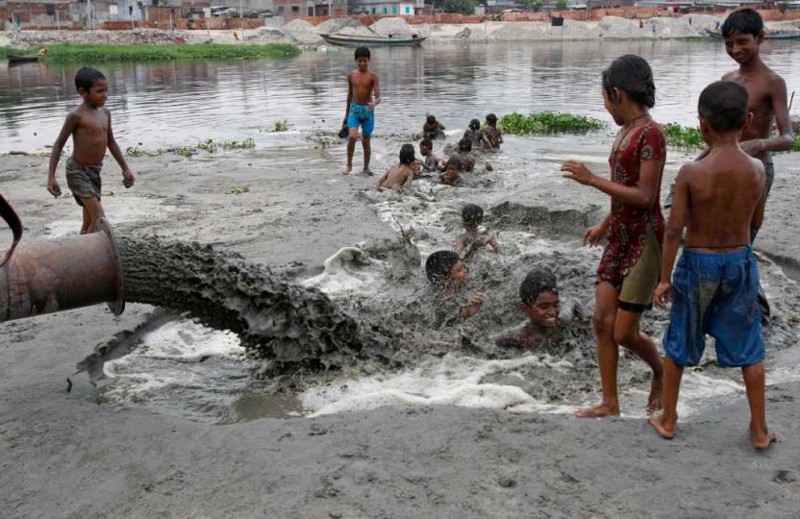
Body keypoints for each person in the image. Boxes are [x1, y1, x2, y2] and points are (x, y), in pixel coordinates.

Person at [651, 81, 774, 450]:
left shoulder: (691, 172)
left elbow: (674, 230)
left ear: (702, 125)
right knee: (749, 348)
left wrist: (663, 279)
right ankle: (758, 429)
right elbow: (756, 222)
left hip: (698, 262)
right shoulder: (756, 170)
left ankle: (669, 419)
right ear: (748, 121)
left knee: (680, 344)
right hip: (739, 260)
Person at [561, 55, 665, 418]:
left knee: (623, 332)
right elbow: (624, 189)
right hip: (619, 237)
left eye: (605, 98)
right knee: (601, 320)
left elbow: (646, 197)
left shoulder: (651, 134)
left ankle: (661, 370)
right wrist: (605, 225)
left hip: (645, 241)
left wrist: (591, 179)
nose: (605, 106)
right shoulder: (624, 132)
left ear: (616, 93)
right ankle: (610, 402)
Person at [47, 67, 135, 235]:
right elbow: (59, 144)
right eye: (99, 91)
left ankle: (81, 251)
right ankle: (92, 253)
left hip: (95, 172)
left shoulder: (105, 113)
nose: (105, 95)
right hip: (77, 172)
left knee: (89, 221)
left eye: (106, 90)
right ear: (83, 92)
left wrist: (125, 168)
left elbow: (111, 142)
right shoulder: (76, 116)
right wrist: (51, 176)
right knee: (99, 217)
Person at [495, 268, 561, 349]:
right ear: (525, 308)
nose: (552, 312)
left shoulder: (562, 321)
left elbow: (574, 302)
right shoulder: (517, 337)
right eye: (544, 306)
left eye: (556, 305)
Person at [342, 46, 381, 175]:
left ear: (369, 60)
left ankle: (365, 167)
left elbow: (378, 96)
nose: (362, 63)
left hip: (367, 111)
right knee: (352, 137)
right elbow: (349, 96)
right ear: (355, 61)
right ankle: (349, 165)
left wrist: (374, 103)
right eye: (360, 61)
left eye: (365, 60)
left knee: (366, 140)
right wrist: (345, 117)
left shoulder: (373, 76)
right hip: (354, 110)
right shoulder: (351, 76)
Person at [425, 250, 486, 321]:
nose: (465, 270)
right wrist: (467, 312)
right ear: (443, 279)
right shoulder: (442, 299)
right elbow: (447, 319)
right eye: (459, 270)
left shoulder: (460, 283)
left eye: (463, 266)